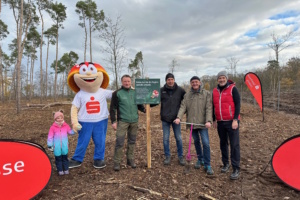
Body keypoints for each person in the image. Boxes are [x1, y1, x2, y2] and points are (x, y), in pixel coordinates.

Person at [67, 62, 113, 169]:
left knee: (100, 140)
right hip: (84, 121)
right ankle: (77, 159)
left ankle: (99, 158)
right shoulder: (80, 94)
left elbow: (115, 94)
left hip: (101, 121)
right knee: (83, 141)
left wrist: (127, 90)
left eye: (91, 70)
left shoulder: (102, 91)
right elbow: (74, 108)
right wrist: (75, 122)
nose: (88, 74)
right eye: (84, 71)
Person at [174, 76, 214, 175]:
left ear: (200, 83)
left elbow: (209, 108)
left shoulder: (206, 94)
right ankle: (200, 159)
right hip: (192, 123)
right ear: (191, 84)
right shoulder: (187, 95)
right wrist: (179, 117)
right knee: (196, 141)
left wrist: (209, 120)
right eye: (192, 82)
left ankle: (207, 164)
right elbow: (183, 107)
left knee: (205, 143)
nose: (194, 83)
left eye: (196, 82)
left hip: (202, 123)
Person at [110, 75, 146, 171]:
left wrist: (145, 110)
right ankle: (117, 162)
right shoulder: (117, 93)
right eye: (125, 81)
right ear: (122, 82)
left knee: (132, 141)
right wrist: (113, 121)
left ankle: (130, 160)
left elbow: (139, 105)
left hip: (134, 121)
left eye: (128, 81)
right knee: (119, 142)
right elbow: (112, 109)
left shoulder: (135, 92)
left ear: (131, 82)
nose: (127, 83)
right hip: (122, 121)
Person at [212, 71, 241, 180]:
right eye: (219, 78)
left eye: (223, 78)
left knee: (234, 145)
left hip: (231, 121)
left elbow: (238, 104)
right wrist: (214, 119)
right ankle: (226, 164)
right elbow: (213, 105)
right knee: (223, 143)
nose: (221, 79)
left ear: (226, 78)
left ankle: (236, 168)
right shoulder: (214, 91)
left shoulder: (233, 89)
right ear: (217, 80)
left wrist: (235, 119)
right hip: (220, 122)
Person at [160, 73, 186, 166]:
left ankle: (180, 156)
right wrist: (148, 106)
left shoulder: (180, 90)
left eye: (171, 79)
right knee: (165, 138)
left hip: (176, 119)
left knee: (178, 138)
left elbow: (186, 102)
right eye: (168, 80)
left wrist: (183, 113)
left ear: (174, 80)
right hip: (165, 119)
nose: (170, 81)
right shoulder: (161, 90)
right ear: (166, 81)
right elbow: (154, 100)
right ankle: (167, 156)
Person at [47, 110, 74, 175]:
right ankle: (60, 170)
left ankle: (66, 169)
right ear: (55, 118)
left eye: (61, 118)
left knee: (65, 158)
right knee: (58, 158)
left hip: (64, 146)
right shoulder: (53, 127)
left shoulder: (66, 126)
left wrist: (75, 129)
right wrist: (50, 145)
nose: (60, 119)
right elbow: (50, 137)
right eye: (58, 118)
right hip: (57, 146)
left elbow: (70, 132)